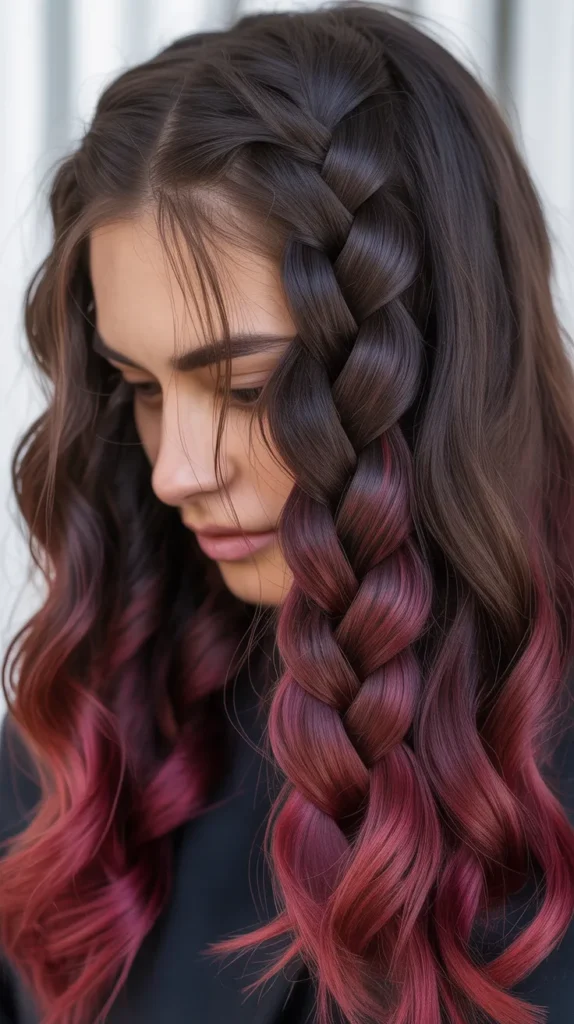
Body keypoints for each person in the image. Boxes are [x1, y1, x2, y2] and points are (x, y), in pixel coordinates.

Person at [0, 2, 573, 1021]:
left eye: (251, 390)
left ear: (436, 364)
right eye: (138, 385)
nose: (177, 470)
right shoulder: (94, 735)